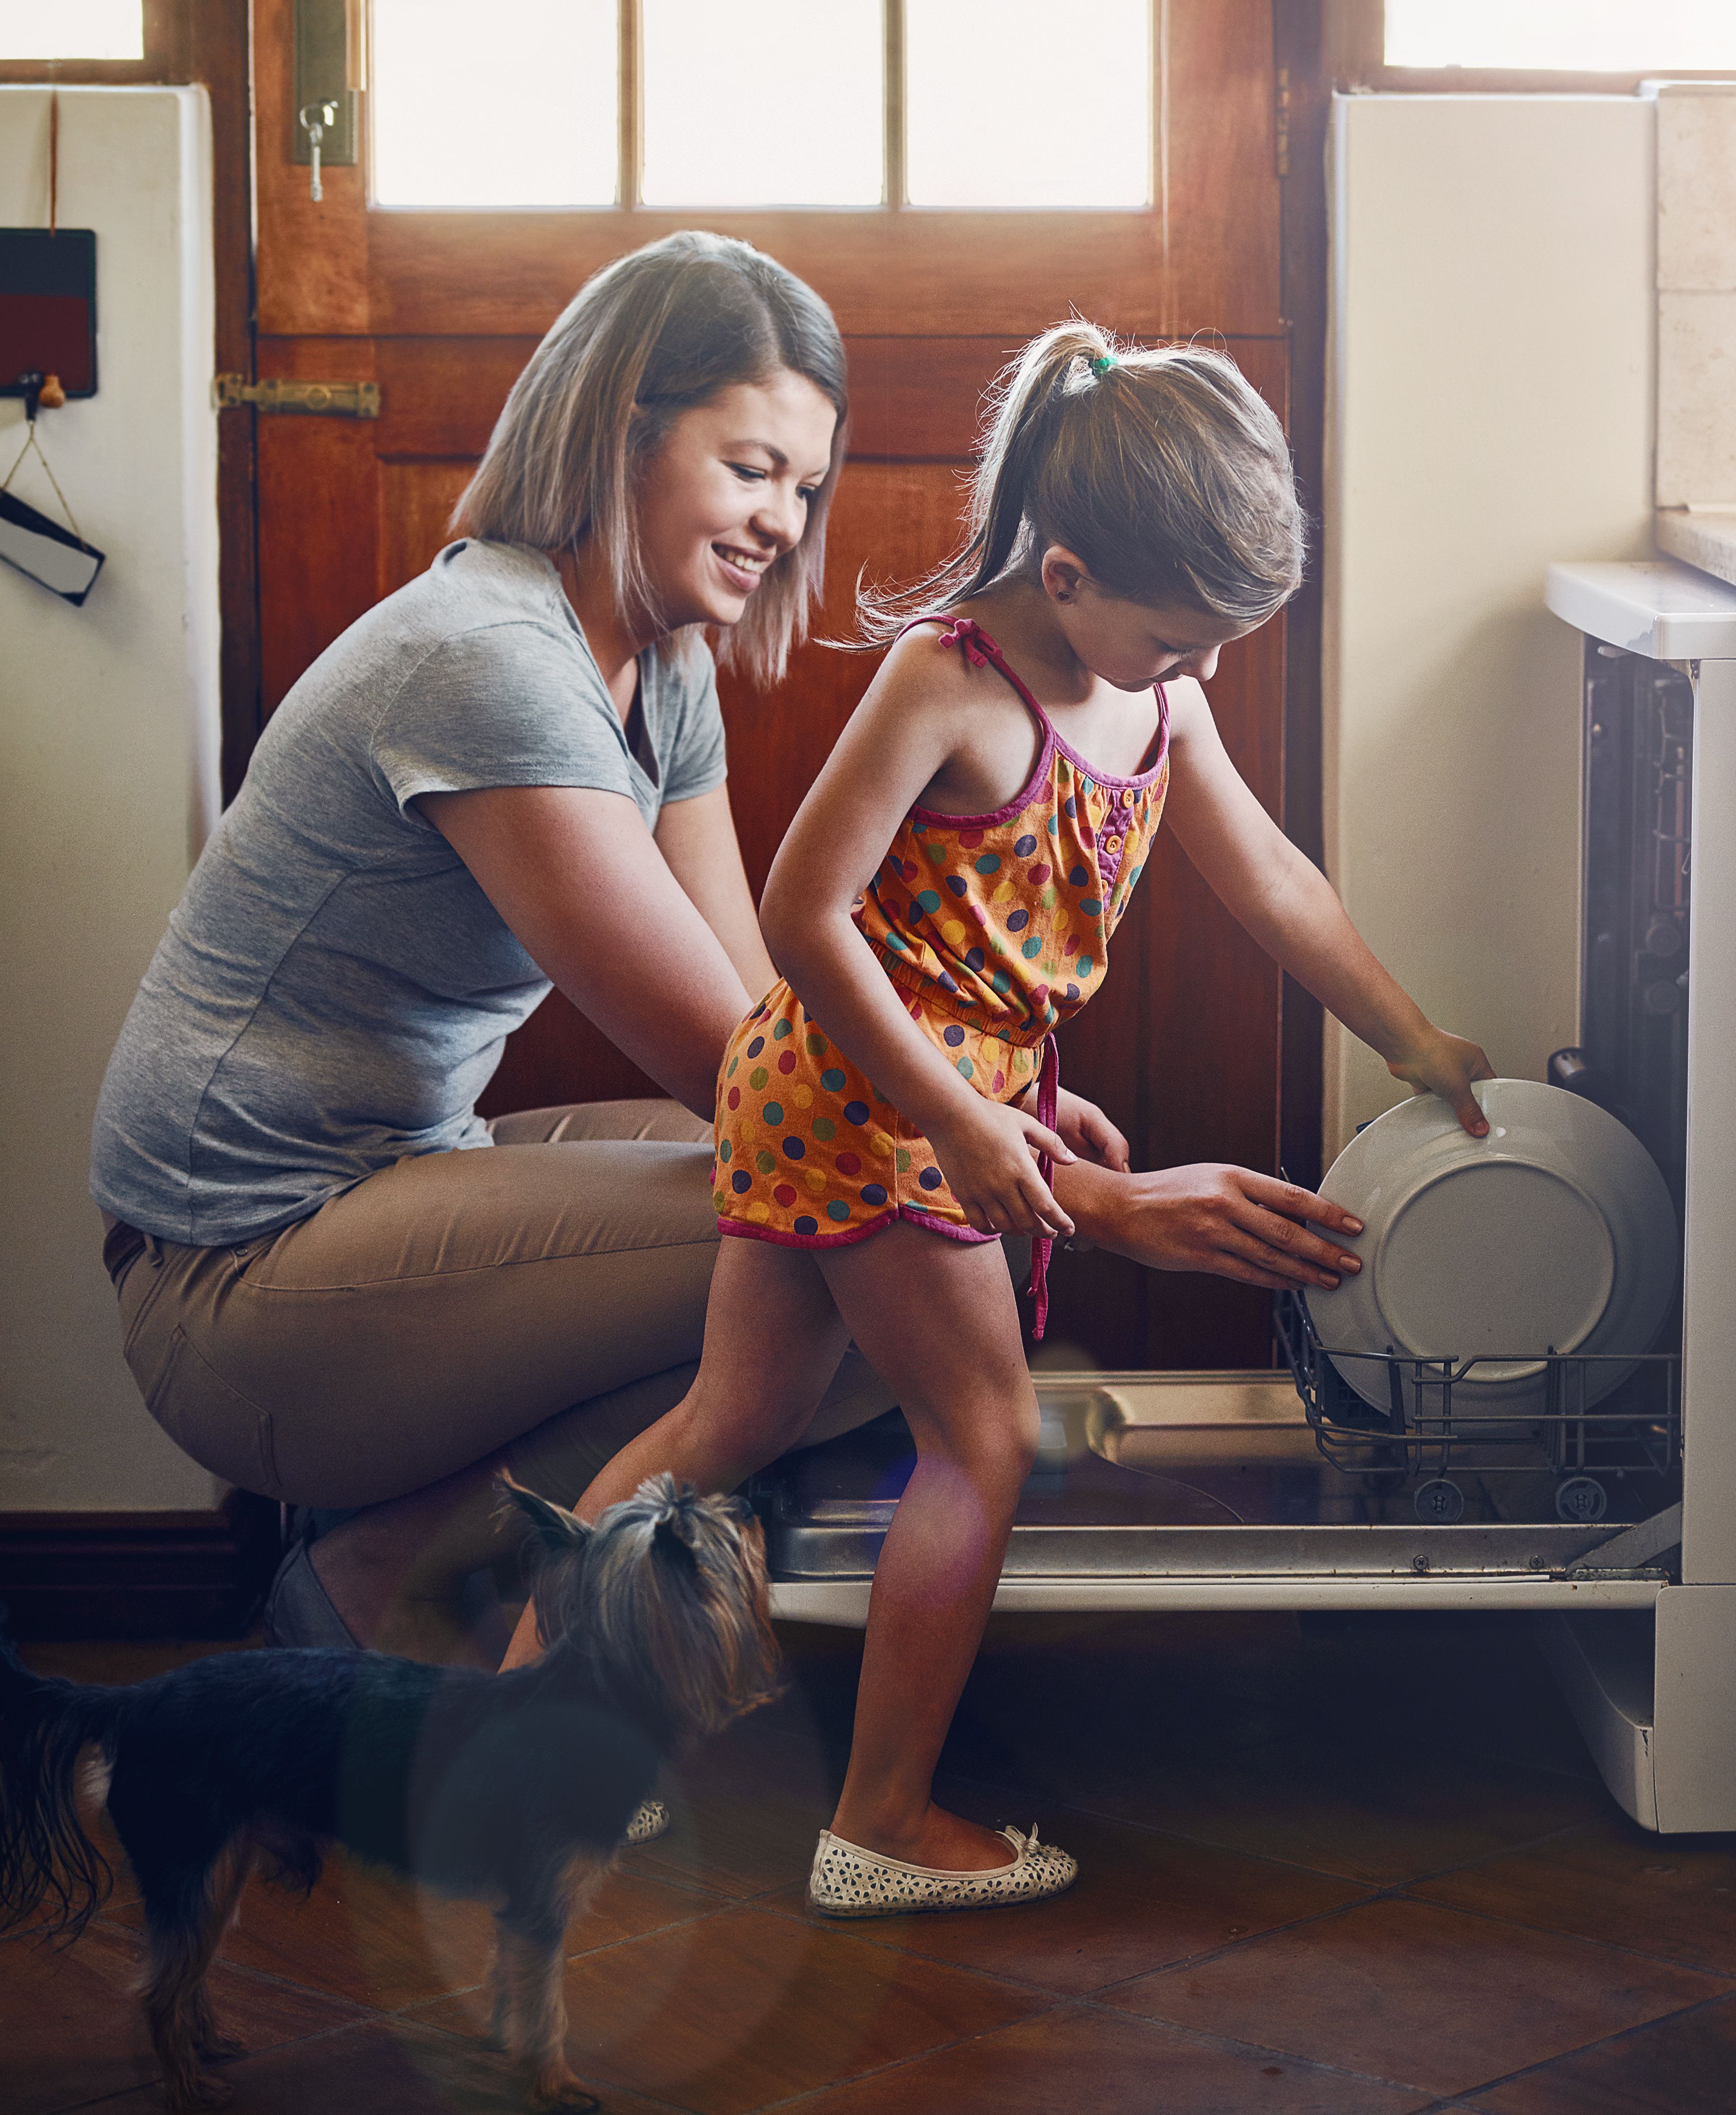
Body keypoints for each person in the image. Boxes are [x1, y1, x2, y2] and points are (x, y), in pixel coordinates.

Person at [91, 234, 1378, 1665]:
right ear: (622, 430)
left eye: (806, 486)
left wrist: (989, 1103)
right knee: (842, 1231)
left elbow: (772, 1024)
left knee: (833, 1205)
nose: (782, 519)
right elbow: (734, 1070)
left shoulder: (662, 662)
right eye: (750, 466)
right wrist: (1069, 1189)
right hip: (235, 1284)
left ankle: (410, 1583)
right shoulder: (488, 665)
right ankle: (374, 1601)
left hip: (399, 1178)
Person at [513, 319, 1494, 1915]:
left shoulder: (1154, 699)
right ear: (1064, 576)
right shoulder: (949, 680)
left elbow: (1265, 877)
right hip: (868, 1089)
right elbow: (806, 912)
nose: (1197, 674)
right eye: (1176, 639)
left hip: (879, 1091)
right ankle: (881, 1821)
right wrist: (962, 1123)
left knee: (729, 1427)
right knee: (974, 1440)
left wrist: (1406, 1037)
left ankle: (529, 1741)